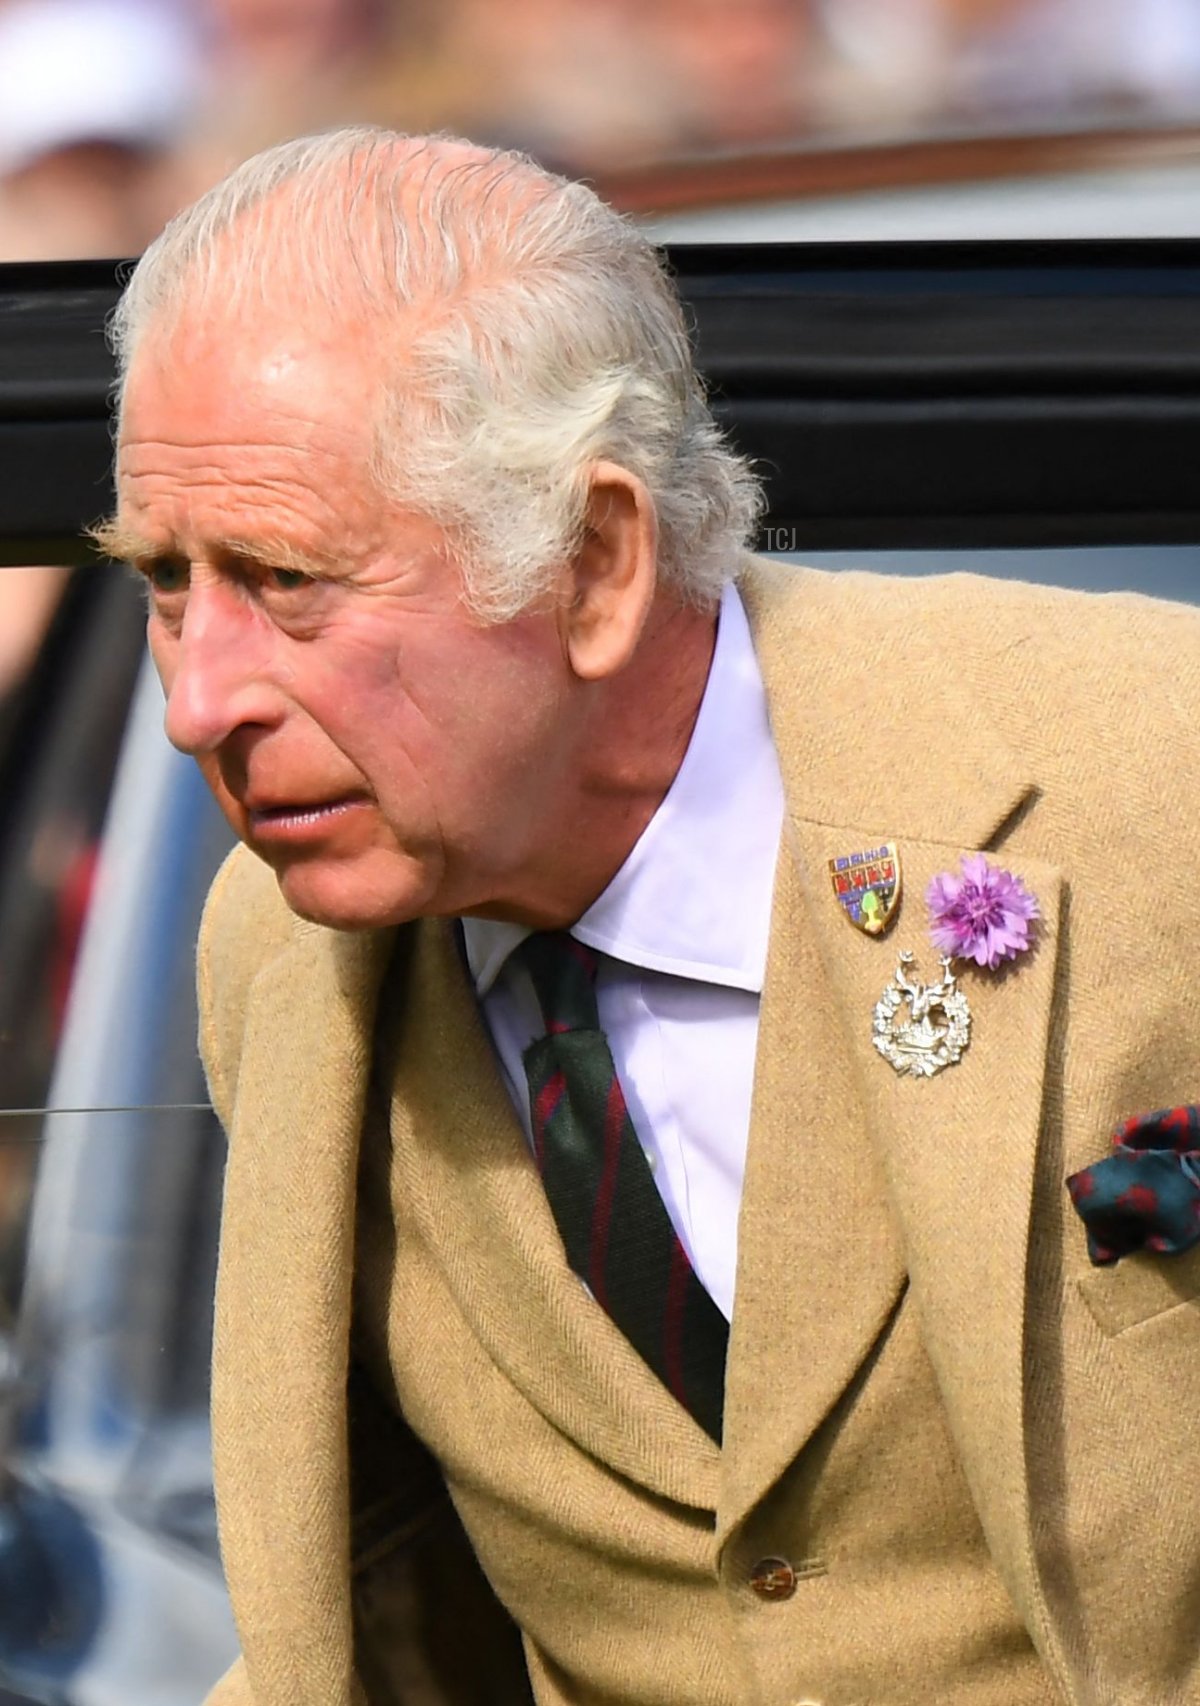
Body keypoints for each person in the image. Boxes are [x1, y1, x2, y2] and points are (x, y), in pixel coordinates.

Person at [93, 127, 1200, 1706]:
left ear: (598, 562)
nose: (198, 700)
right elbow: (376, 1627)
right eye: (165, 581)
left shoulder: (1161, 776)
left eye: (284, 579)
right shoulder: (275, 953)